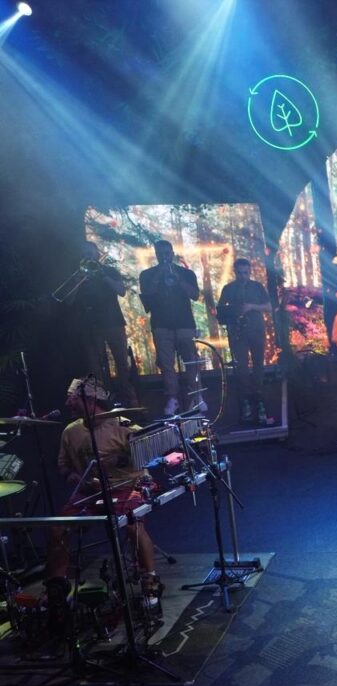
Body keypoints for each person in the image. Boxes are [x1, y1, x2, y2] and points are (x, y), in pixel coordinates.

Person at [47, 378, 163, 630]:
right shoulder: (70, 431)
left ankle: (150, 583)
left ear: (90, 400)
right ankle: (57, 592)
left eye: (72, 398)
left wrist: (118, 460)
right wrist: (72, 476)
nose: (67, 402)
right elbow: (63, 466)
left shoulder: (124, 426)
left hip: (126, 486)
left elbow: (149, 455)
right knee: (58, 529)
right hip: (89, 491)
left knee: (132, 526)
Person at [139, 240, 203, 416]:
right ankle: (172, 398)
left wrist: (178, 279)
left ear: (172, 254)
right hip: (161, 326)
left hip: (185, 324)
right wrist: (158, 276)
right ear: (156, 255)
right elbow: (147, 295)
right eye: (160, 254)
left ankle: (197, 396)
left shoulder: (186, 273)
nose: (164, 257)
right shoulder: (147, 274)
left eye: (167, 253)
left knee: (192, 362)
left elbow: (195, 295)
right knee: (167, 365)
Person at [72, 241, 138, 406]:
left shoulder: (109, 271)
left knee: (122, 363)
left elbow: (121, 291)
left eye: (90, 252)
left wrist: (103, 275)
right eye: (84, 252)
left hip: (114, 322)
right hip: (91, 325)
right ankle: (103, 403)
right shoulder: (78, 274)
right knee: (95, 367)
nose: (87, 255)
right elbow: (69, 300)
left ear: (97, 253)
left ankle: (130, 400)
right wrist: (79, 282)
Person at [216, 258, 273, 424]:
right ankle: (246, 401)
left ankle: (259, 400)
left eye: (246, 273)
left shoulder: (257, 287)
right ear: (235, 272)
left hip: (256, 330)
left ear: (250, 272)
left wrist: (252, 307)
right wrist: (232, 313)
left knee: (258, 365)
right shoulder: (228, 289)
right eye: (240, 273)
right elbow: (220, 311)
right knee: (241, 368)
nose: (243, 276)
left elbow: (269, 307)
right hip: (237, 333)